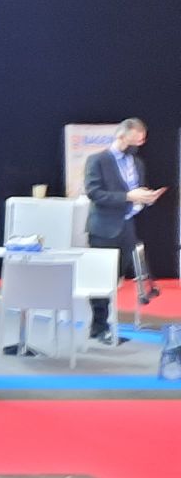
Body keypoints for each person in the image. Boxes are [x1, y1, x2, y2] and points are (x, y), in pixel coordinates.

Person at [83, 117, 165, 346]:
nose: (139, 145)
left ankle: (107, 325)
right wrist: (128, 196)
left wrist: (145, 197)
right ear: (121, 135)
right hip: (103, 229)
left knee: (116, 279)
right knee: (100, 280)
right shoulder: (98, 160)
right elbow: (94, 193)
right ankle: (98, 327)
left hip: (127, 226)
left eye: (141, 141)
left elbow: (135, 190)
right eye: (135, 140)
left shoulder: (137, 163)